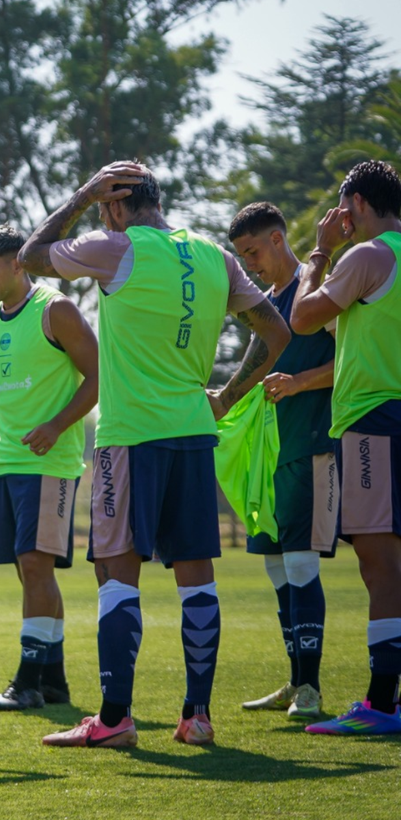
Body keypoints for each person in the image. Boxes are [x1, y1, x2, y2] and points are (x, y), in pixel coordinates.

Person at [22, 161, 291, 748]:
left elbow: (31, 257)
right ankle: (197, 716)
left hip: (131, 437)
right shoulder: (214, 256)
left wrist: (80, 196)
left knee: (118, 571)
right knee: (197, 576)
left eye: (103, 207)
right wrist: (225, 396)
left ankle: (115, 719)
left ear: (116, 206)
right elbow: (276, 333)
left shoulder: (115, 248)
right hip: (194, 433)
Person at [289, 160, 401, 735]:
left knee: (380, 565)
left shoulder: (366, 255)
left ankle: (382, 703)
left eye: (343, 209)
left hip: (372, 421)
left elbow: (302, 318)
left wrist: (319, 253)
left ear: (355, 203)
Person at [0, 224, 97, 711]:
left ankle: (26, 681)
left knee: (35, 566)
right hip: (6, 461)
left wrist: (57, 425)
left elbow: (99, 375)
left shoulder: (55, 309)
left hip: (49, 463)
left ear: (17, 263)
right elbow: (0, 396)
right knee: (31, 573)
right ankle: (54, 682)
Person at [227, 202, 336, 721]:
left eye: (253, 252)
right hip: (269, 458)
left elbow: (352, 364)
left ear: (277, 238)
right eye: (241, 256)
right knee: (276, 570)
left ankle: (311, 688)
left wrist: (298, 384)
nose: (249, 264)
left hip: (311, 446)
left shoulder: (319, 294)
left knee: (299, 564)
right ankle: (295, 681)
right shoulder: (267, 306)